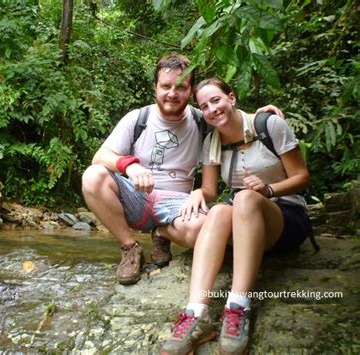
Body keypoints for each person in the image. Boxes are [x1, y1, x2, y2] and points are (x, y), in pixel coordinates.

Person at [81, 55, 283, 285]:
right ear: (154, 88)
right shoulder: (138, 118)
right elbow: (99, 157)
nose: (172, 93)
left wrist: (260, 116)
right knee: (92, 176)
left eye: (181, 87)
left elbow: (232, 118)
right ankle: (130, 248)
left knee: (204, 231)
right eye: (165, 86)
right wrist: (130, 165)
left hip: (177, 203)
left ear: (191, 91)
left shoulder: (201, 120)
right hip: (137, 195)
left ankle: (161, 233)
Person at [160, 77, 310, 355]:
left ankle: (238, 306)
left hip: (285, 215)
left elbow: (302, 177)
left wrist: (267, 189)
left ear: (232, 98)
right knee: (218, 210)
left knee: (244, 198)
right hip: (245, 219)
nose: (211, 109)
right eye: (204, 106)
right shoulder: (212, 142)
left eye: (216, 100)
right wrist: (197, 195)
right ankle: (197, 314)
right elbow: (209, 190)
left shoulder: (269, 124)